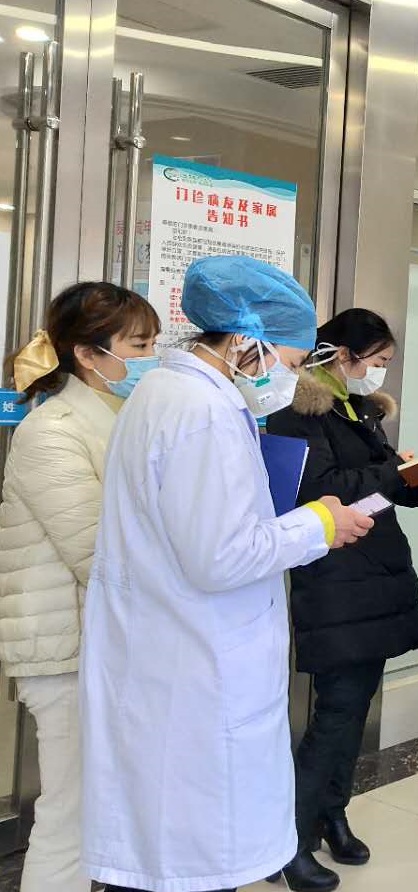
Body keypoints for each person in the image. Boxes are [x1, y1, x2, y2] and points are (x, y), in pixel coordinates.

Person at [79, 256, 375, 892]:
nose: (290, 379)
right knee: (191, 855)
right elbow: (222, 557)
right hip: (194, 668)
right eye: (290, 362)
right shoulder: (202, 411)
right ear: (246, 342)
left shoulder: (168, 393)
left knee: (164, 851)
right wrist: (319, 524)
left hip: (171, 653)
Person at [265, 308, 418, 891]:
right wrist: (390, 475)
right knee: (336, 714)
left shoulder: (358, 410)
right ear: (344, 354)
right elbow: (317, 492)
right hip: (335, 578)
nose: (381, 372)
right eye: (378, 360)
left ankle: (332, 814)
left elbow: (392, 492)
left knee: (354, 709)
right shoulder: (297, 412)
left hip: (374, 575)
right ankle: (290, 842)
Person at [0, 283, 160, 892]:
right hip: (65, 648)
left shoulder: (119, 416)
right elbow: (97, 552)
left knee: (98, 809)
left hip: (103, 639)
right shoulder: (53, 431)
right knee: (70, 813)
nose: (149, 359)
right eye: (138, 346)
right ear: (88, 355)